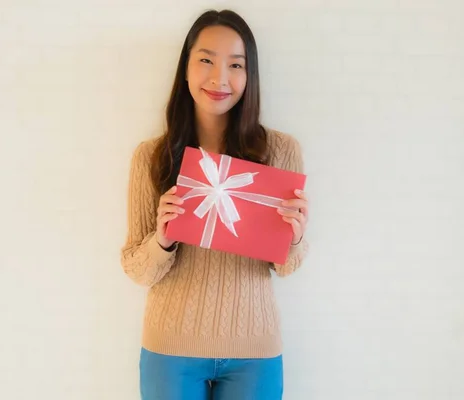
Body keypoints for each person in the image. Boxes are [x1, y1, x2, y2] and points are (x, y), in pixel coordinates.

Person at [121, 9, 309, 400]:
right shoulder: (153, 157)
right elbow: (136, 269)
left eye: (235, 65)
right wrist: (162, 240)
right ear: (185, 68)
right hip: (170, 347)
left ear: (249, 75)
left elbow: (287, 266)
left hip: (253, 350)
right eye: (206, 60)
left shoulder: (280, 152)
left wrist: (294, 238)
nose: (219, 77)